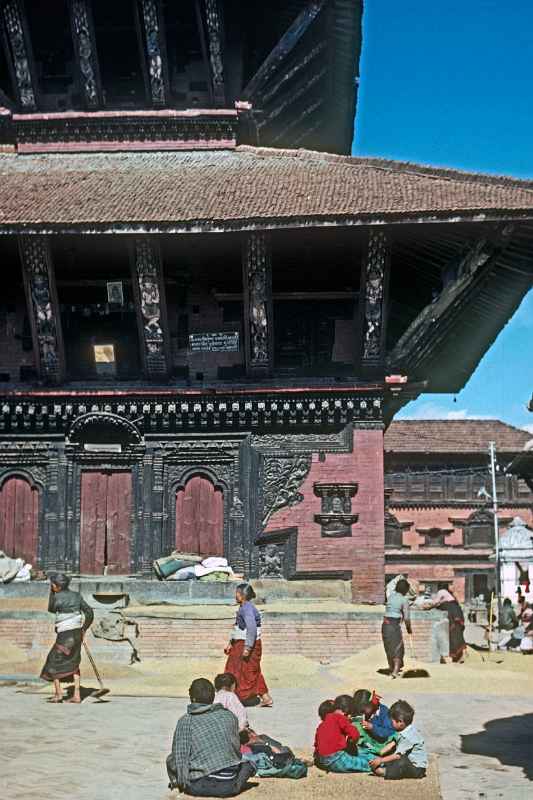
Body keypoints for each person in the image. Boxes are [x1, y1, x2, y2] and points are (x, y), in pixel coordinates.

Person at [166, 678, 255, 797]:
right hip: (229, 783)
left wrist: (183, 783)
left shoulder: (186, 721)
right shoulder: (228, 715)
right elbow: (235, 750)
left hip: (197, 785)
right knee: (249, 764)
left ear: (192, 698)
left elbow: (180, 757)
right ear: (213, 697)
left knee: (171, 758)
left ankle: (176, 783)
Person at [40, 573, 94, 704]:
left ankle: (58, 694)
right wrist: (83, 629)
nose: (51, 586)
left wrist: (52, 593)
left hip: (65, 635)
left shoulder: (56, 597)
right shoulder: (77, 596)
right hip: (76, 633)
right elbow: (90, 613)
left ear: (57, 586)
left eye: (52, 584)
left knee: (53, 662)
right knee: (74, 662)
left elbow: (51, 609)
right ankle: (77, 695)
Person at [224, 583, 272, 707]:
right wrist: (231, 643)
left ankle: (229, 697)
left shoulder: (247, 609)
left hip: (247, 644)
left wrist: (248, 648)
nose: (235, 595)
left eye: (237, 593)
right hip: (241, 642)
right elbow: (238, 628)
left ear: (242, 595)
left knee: (238, 669)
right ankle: (265, 697)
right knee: (250, 670)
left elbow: (251, 628)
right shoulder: (244, 607)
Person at [370, 699, 428, 780]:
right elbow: (393, 743)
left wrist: (381, 760)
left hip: (417, 769)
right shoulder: (404, 730)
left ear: (400, 722)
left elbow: (397, 756)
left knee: (401, 761)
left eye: (392, 721)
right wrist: (380, 753)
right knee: (393, 755)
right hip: (408, 761)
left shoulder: (408, 736)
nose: (390, 723)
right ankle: (388, 766)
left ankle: (385, 772)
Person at [314, 695, 372, 773]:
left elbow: (316, 744)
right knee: (361, 763)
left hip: (321, 760)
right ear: (345, 711)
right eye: (350, 714)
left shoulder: (322, 724)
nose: (350, 717)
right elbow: (355, 734)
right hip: (336, 759)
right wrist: (352, 741)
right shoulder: (340, 718)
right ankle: (380, 764)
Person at [382, 578, 412, 678]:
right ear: (405, 590)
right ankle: (395, 671)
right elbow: (407, 618)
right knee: (398, 648)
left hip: (385, 625)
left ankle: (392, 668)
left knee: (389, 647)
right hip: (394, 625)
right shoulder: (404, 600)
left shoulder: (390, 597)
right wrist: (409, 628)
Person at [430, 588, 466, 663]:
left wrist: (429, 606)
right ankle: (460, 655)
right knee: (457, 634)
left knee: (453, 635)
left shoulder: (441, 592)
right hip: (457, 614)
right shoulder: (453, 600)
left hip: (452, 614)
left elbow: (435, 602)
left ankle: (453, 656)